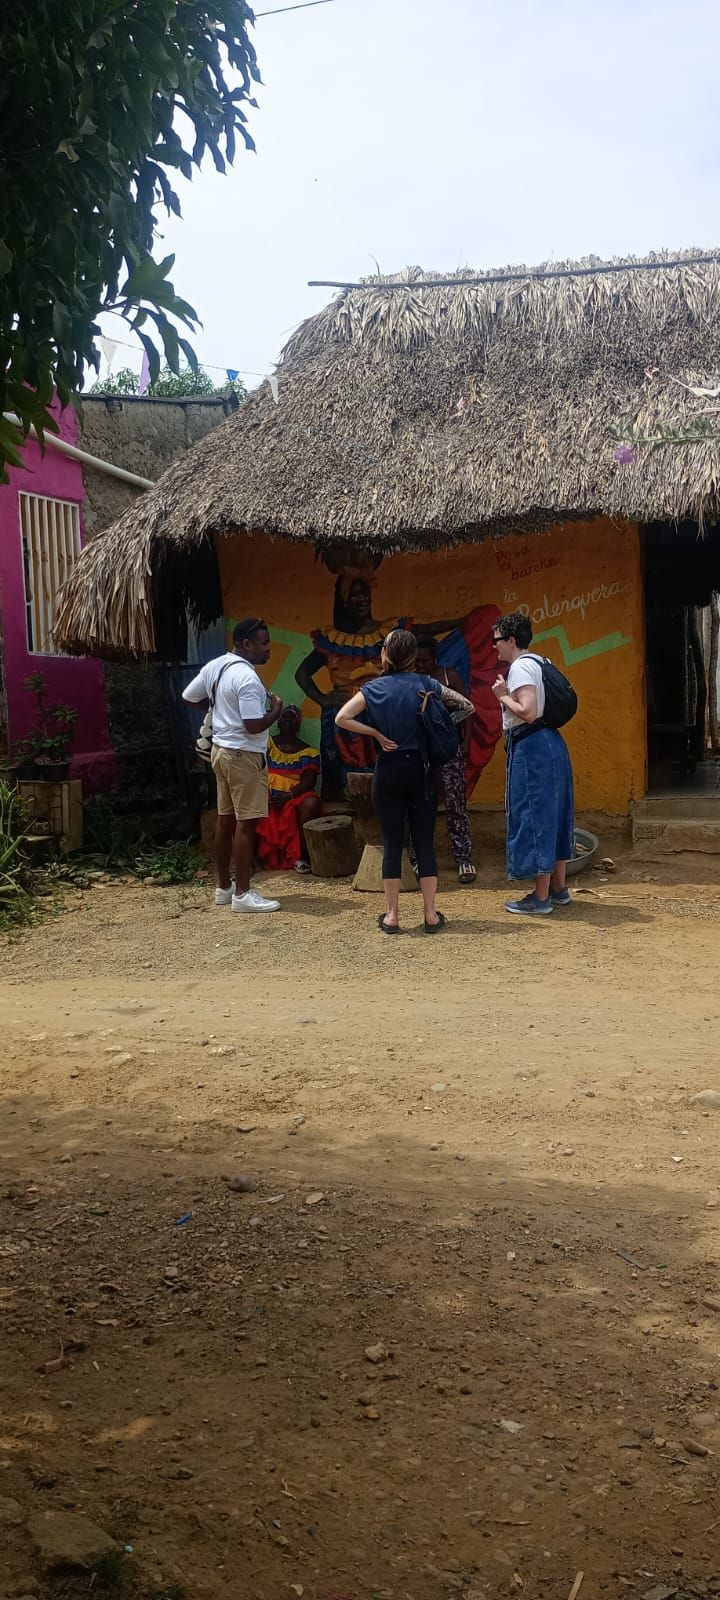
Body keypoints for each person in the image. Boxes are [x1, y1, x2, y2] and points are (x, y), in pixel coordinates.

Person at [335, 628, 474, 934]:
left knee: (393, 842)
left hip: (388, 771)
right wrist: (436, 726)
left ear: (386, 654)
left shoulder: (373, 689)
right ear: (412, 656)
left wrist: (375, 734)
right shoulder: (428, 684)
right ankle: (430, 916)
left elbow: (341, 718)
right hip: (422, 772)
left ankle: (393, 916)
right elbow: (467, 706)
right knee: (424, 841)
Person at [295, 574, 467, 796]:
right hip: (345, 713)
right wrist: (323, 699)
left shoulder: (388, 631)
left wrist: (462, 621)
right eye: (354, 594)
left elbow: (427, 629)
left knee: (385, 767)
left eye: (365, 592)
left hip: (381, 706)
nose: (362, 598)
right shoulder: (333, 639)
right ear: (343, 600)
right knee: (346, 774)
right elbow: (302, 673)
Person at [183, 618, 283, 914]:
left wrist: (219, 710)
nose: (268, 649)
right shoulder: (248, 679)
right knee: (246, 824)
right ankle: (243, 893)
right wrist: (276, 711)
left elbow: (189, 697)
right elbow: (253, 726)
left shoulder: (215, 666)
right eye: (264, 643)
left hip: (221, 752)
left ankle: (224, 887)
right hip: (244, 755)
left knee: (225, 820)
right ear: (246, 644)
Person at [491, 612, 574, 917]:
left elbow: (527, 711)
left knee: (537, 815)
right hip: (551, 743)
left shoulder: (521, 667)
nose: (495, 647)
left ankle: (540, 898)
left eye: (497, 641)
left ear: (511, 640)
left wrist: (501, 696)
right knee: (557, 813)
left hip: (532, 746)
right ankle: (558, 888)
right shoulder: (541, 661)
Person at [413, 634, 477, 885]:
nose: (419, 665)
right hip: (421, 755)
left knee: (456, 805)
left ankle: (463, 858)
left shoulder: (449, 677)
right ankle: (417, 860)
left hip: (449, 751)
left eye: (425, 660)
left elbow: (469, 709)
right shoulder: (411, 681)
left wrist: (467, 741)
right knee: (420, 806)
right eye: (415, 660)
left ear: (435, 659)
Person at [255, 706, 322, 873]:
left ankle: (300, 857)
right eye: (284, 717)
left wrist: (289, 795)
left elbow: (310, 780)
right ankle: (253, 861)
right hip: (266, 793)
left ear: (298, 724)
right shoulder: (266, 744)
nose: (287, 720)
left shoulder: (308, 752)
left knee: (312, 803)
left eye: (292, 717)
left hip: (294, 795)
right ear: (277, 721)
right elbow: (256, 769)